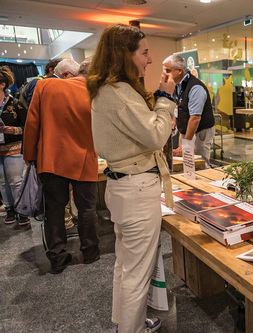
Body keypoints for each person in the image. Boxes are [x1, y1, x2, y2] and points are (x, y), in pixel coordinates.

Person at [86, 24, 175, 333]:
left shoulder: (106, 90)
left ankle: (125, 322)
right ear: (125, 55)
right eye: (145, 52)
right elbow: (155, 135)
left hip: (123, 186)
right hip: (136, 189)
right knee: (137, 271)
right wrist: (166, 100)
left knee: (125, 265)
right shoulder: (119, 92)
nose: (149, 59)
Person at [23, 59, 100, 274]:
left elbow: (32, 122)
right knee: (87, 209)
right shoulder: (94, 92)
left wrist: (29, 154)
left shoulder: (44, 85)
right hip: (84, 158)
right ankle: (91, 253)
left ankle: (57, 258)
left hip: (52, 159)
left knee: (54, 210)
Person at [163, 54, 215, 168]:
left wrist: (186, 143)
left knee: (200, 164)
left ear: (179, 71)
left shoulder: (196, 88)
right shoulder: (178, 86)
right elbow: (178, 104)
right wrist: (174, 120)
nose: (165, 74)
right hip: (187, 130)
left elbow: (195, 118)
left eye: (168, 70)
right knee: (187, 163)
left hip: (200, 131)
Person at [0, 66, 29, 226]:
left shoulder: (16, 104)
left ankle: (22, 211)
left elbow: (28, 127)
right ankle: (10, 209)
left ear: (2, 84)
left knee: (15, 181)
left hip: (14, 148)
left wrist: (11, 129)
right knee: (2, 182)